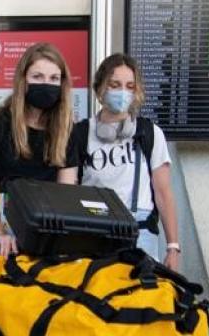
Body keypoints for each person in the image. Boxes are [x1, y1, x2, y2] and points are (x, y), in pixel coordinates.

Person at [69, 53, 180, 270]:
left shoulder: (150, 133)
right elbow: (69, 190)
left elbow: (163, 193)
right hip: (94, 235)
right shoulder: (81, 134)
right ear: (100, 88)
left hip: (140, 236)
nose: (123, 92)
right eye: (115, 84)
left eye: (130, 86)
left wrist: (173, 247)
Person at [0, 43, 78, 257]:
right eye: (37, 77)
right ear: (23, 80)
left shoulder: (67, 131)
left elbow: (67, 194)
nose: (46, 84)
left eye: (54, 78)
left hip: (47, 231)